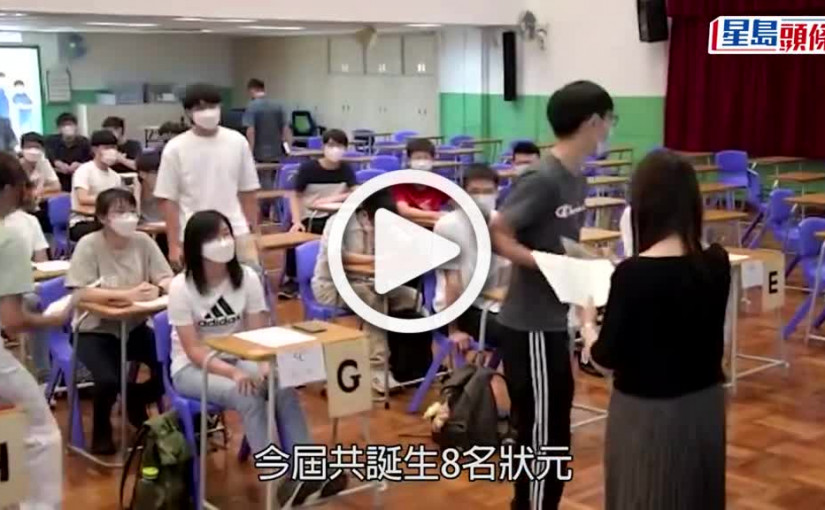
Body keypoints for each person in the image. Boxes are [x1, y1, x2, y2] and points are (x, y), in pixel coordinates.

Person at [490, 80, 615, 509]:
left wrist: (586, 270)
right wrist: (544, 264)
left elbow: (564, 245)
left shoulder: (576, 179)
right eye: (609, 119)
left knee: (554, 429)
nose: (610, 128)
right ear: (593, 122)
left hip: (554, 323)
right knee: (543, 434)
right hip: (528, 327)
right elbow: (498, 233)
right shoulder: (542, 178)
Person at [581, 150, 729, 510]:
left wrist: (587, 326)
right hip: (705, 407)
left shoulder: (633, 275)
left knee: (644, 495)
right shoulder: (716, 261)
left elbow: (606, 359)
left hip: (646, 415)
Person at [168, 210, 347, 505]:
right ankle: (277, 481)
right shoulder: (180, 287)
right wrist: (234, 373)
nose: (224, 242)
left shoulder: (247, 277)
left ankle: (308, 470)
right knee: (248, 395)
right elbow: (194, 350)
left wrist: (263, 364)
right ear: (196, 246)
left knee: (282, 386)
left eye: (227, 234)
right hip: (192, 368)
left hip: (240, 354)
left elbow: (257, 334)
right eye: (214, 237)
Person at [66, 187, 172, 454]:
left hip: (134, 325)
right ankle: (101, 431)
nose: (128, 217)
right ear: (103, 217)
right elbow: (81, 292)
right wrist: (128, 294)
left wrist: (162, 287)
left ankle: (136, 397)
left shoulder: (143, 241)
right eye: (120, 212)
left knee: (171, 366)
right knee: (107, 380)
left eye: (132, 211)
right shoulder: (89, 244)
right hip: (95, 329)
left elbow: (164, 276)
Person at [0, 152, 70, 508]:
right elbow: (14, 321)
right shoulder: (9, 236)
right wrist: (55, 319)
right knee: (41, 431)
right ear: (9, 189)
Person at [312, 189, 417, 392]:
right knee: (373, 300)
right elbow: (338, 258)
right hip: (331, 287)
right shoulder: (338, 223)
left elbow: (406, 244)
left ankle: (411, 365)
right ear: (366, 213)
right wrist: (377, 260)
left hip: (367, 282)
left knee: (413, 298)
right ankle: (376, 369)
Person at [155, 83, 260, 269]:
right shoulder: (175, 148)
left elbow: (248, 192)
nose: (208, 112)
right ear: (188, 112)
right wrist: (173, 245)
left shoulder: (237, 141)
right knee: (200, 285)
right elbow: (168, 200)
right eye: (200, 108)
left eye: (213, 106)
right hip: (194, 235)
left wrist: (254, 232)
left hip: (236, 230)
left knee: (249, 280)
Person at [434, 164, 509, 352]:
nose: (481, 197)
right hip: (459, 308)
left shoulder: (502, 222)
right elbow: (452, 283)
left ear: (497, 193)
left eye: (488, 192)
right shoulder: (447, 226)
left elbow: (506, 272)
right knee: (513, 333)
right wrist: (454, 330)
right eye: (475, 192)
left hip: (492, 302)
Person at [289, 128, 356, 235]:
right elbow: (295, 196)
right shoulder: (308, 168)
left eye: (339, 146)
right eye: (331, 145)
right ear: (323, 147)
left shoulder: (346, 169)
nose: (335, 149)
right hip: (311, 218)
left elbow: (356, 192)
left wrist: (331, 199)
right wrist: (296, 221)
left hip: (336, 216)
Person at [69, 130, 124, 242]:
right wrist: (109, 200)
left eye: (113, 147)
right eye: (106, 147)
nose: (111, 151)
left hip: (109, 221)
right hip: (84, 221)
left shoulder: (115, 176)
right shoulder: (84, 170)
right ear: (94, 149)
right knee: (109, 233)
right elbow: (83, 198)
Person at [393, 138, 449, 223]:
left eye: (426, 158)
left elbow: (458, 203)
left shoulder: (439, 183)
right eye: (417, 158)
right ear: (409, 160)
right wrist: (436, 215)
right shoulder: (400, 183)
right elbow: (404, 211)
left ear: (433, 159)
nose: (421, 162)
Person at [19, 131, 61, 234]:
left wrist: (39, 192)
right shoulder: (15, 165)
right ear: (22, 149)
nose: (33, 151)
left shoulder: (44, 163)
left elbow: (56, 186)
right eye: (29, 147)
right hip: (19, 207)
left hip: (39, 204)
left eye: (36, 147)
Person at [243, 78, 291, 164]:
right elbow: (286, 130)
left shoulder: (252, 106)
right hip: (277, 153)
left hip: (259, 154)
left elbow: (251, 131)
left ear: (252, 90)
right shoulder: (278, 105)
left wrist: (250, 153)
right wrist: (288, 149)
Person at [45, 112, 93, 192]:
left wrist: (80, 165)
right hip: (57, 180)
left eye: (70, 124)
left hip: (79, 180)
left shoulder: (85, 142)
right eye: (64, 125)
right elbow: (47, 159)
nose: (67, 128)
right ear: (59, 128)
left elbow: (90, 160)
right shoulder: (50, 141)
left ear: (76, 126)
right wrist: (56, 163)